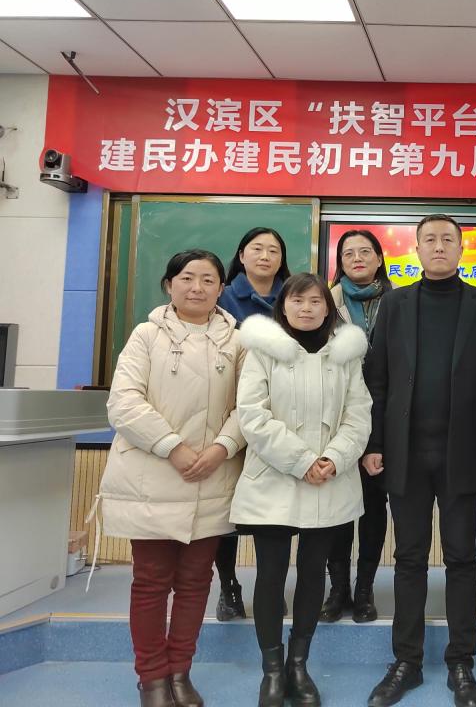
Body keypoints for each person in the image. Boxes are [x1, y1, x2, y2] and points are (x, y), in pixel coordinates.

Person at [363, 214, 476, 707]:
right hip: (405, 452)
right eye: (430, 240)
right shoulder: (395, 304)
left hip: (463, 452)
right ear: (417, 249)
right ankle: (407, 661)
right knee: (409, 558)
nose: (439, 246)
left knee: (462, 557)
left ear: (461, 249)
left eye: (448, 239)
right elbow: (378, 378)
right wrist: (374, 443)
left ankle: (461, 661)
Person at [101, 249, 246, 707]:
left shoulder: (238, 342)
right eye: (187, 277)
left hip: (212, 476)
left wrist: (223, 447)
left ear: (221, 288)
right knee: (150, 582)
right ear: (169, 285)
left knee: (196, 582)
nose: (197, 287)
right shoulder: (146, 335)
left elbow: (250, 406)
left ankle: (180, 671)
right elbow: (123, 402)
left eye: (208, 279)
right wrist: (173, 448)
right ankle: (151, 677)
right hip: (154, 474)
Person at [232, 273, 372, 707]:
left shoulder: (345, 355)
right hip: (274, 479)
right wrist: (301, 461)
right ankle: (272, 670)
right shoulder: (263, 351)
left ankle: (299, 663)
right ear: (284, 306)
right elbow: (252, 415)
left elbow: (359, 415)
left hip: (329, 479)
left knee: (314, 573)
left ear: (328, 308)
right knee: (271, 575)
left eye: (315, 301)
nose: (307, 308)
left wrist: (333, 458)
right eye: (298, 300)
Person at [214, 226, 292, 621]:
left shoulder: (294, 298)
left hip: (279, 418)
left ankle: (270, 588)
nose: (265, 256)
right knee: (224, 509)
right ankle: (228, 585)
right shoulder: (221, 297)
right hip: (226, 413)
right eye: (256, 249)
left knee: (272, 511)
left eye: (273, 250)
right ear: (241, 255)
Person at [320, 229, 393, 625]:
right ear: (340, 262)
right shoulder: (325, 302)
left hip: (384, 419)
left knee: (373, 507)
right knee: (337, 508)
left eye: (366, 251)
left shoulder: (399, 302)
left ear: (380, 259)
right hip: (335, 420)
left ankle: (364, 589)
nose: (358, 258)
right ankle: (338, 589)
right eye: (349, 253)